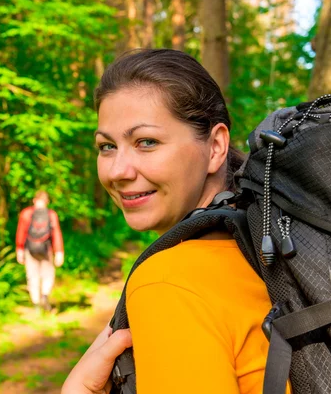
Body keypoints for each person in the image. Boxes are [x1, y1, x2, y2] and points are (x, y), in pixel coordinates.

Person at [62, 49, 290, 393]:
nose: (117, 171)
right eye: (106, 146)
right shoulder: (266, 245)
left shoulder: (167, 282)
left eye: (146, 142)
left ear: (215, 147)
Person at [16, 190, 64, 312]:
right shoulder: (51, 214)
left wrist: (19, 249)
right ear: (47, 201)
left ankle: (36, 304)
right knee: (48, 274)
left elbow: (21, 232)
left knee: (32, 275)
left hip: (29, 250)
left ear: (34, 200)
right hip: (46, 249)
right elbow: (56, 233)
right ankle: (45, 296)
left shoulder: (26, 213)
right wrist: (59, 252)